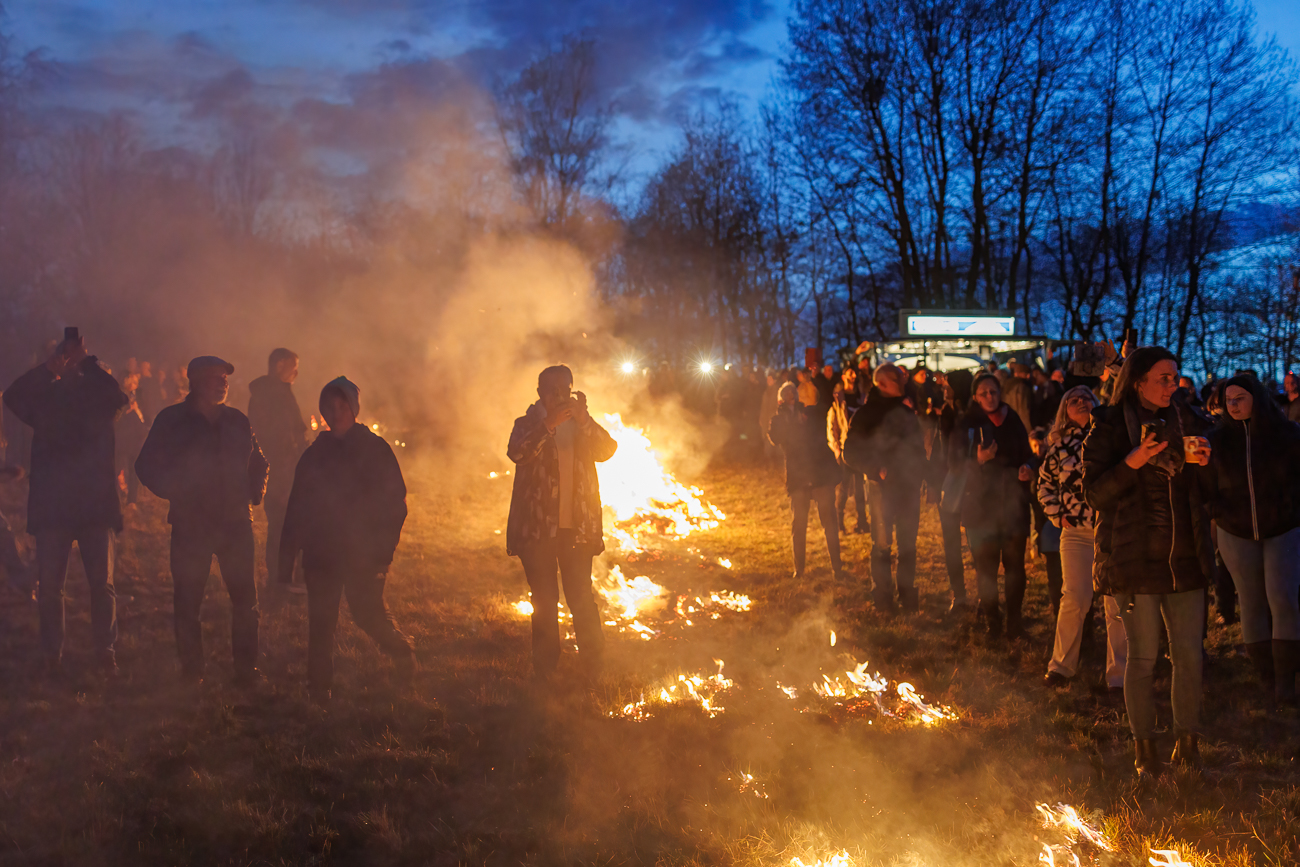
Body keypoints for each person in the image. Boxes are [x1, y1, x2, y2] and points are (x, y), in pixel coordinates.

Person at [1083, 346, 1213, 778]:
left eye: (1175, 377)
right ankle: (1144, 747)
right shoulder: (1108, 425)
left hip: (1185, 560)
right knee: (1141, 659)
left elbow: (1208, 489)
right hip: (1134, 560)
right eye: (1162, 377)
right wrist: (1134, 460)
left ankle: (1187, 740)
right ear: (1138, 380)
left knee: (1188, 656)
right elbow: (1095, 494)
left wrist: (1203, 465)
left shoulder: (1188, 419)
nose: (1171, 384)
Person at [279, 377, 415, 703]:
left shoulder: (375, 450)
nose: (336, 412)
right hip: (322, 554)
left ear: (354, 409)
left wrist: (382, 553)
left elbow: (394, 504)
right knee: (321, 621)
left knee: (367, 613)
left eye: (342, 406)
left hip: (363, 555)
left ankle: (401, 653)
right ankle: (318, 688)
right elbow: (297, 508)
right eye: (330, 406)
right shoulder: (314, 455)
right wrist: (286, 563)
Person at [135, 356, 269, 686]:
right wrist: (178, 492)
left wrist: (252, 495)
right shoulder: (172, 420)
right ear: (194, 382)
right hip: (191, 525)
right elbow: (146, 465)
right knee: (188, 599)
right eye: (215, 378)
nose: (222, 383)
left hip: (235, 523)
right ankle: (192, 671)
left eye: (225, 378)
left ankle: (246, 670)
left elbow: (259, 461)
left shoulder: (237, 420)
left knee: (245, 601)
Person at [3, 332, 128, 675]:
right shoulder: (46, 398)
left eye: (78, 357)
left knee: (101, 585)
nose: (72, 361)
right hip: (54, 507)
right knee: (50, 589)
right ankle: (50, 653)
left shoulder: (99, 400)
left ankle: (105, 650)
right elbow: (13, 396)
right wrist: (47, 370)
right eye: (67, 356)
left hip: (93, 507)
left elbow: (119, 396)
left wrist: (87, 361)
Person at [507, 365, 618, 680]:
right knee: (543, 599)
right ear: (540, 392)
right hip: (538, 528)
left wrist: (583, 419)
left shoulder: (582, 425)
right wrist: (548, 426)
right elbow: (517, 452)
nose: (558, 395)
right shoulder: (527, 424)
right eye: (551, 389)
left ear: (571, 390)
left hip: (577, 529)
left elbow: (607, 450)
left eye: (564, 389)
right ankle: (545, 666)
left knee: (581, 595)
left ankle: (595, 666)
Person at [1198, 374, 1300, 708]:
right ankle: (1265, 677)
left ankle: (1286, 680)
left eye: (1240, 397)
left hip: (1282, 528)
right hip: (1235, 530)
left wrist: (1290, 507)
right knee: (1251, 600)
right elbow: (1205, 485)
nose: (1234, 404)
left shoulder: (1286, 435)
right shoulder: (1217, 440)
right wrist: (1217, 509)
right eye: (1229, 400)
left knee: (1283, 597)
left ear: (1257, 398)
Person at [1039, 386, 1127, 692]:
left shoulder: (1109, 439)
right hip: (1075, 532)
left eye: (1086, 398)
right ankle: (1061, 667)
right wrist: (1056, 513)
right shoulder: (1059, 447)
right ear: (1064, 411)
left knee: (1115, 601)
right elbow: (1045, 485)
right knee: (1074, 597)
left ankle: (1119, 676)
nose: (1081, 403)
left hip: (1110, 529)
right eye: (1073, 400)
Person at [949, 373, 1033, 638]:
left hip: (1013, 507)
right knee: (986, 571)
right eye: (984, 392)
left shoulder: (1013, 420)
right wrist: (979, 460)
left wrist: (1028, 467)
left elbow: (1027, 454)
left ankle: (1014, 623)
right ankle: (992, 623)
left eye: (993, 391)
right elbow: (954, 465)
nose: (989, 397)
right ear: (975, 396)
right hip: (979, 510)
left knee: (1015, 568)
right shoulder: (966, 424)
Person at [844, 364, 925, 613]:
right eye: (896, 380)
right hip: (882, 488)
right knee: (882, 543)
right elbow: (850, 451)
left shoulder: (906, 411)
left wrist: (922, 471)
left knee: (908, 544)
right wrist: (874, 468)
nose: (902, 383)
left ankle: (907, 595)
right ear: (882, 383)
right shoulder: (867, 414)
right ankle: (882, 597)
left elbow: (917, 447)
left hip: (908, 486)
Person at [768, 382, 844, 580]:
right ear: (781, 400)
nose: (792, 397)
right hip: (799, 477)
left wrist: (804, 416)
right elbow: (776, 438)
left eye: (794, 394)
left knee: (830, 523)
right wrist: (789, 418)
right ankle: (799, 571)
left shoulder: (812, 413)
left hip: (820, 474)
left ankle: (837, 569)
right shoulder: (778, 420)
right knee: (799, 525)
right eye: (788, 395)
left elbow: (821, 423)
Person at [248, 348, 309, 592]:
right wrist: (284, 477)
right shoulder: (269, 396)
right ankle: (281, 580)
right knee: (282, 524)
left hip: (289, 471)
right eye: (294, 366)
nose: (297, 372)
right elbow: (276, 440)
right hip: (280, 474)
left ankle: (291, 577)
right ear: (280, 364)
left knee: (294, 524)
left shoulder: (282, 393)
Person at [934, 368, 975, 610]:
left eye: (947, 386)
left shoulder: (972, 415)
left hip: (970, 483)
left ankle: (985, 596)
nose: (943, 390)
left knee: (975, 541)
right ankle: (958, 595)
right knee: (951, 542)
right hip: (949, 483)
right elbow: (942, 452)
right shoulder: (947, 414)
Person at [827, 368, 867, 535]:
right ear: (843, 377)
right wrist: (836, 447)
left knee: (860, 489)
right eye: (849, 373)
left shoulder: (862, 398)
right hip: (845, 449)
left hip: (860, 449)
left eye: (854, 373)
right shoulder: (838, 402)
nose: (853, 376)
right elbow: (832, 426)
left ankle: (863, 523)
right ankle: (839, 524)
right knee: (843, 488)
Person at [1028, 428, 1061, 618]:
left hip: (1062, 524)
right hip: (1047, 530)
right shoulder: (1032, 464)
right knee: (1055, 577)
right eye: (1035, 445)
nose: (1039, 448)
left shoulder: (1055, 461)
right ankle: (1059, 614)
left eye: (1042, 444)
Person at [115, 372, 148, 506]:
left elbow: (145, 417)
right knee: (121, 469)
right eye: (129, 382)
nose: (131, 384)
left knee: (134, 469)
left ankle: (132, 500)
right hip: (123, 439)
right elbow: (117, 418)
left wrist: (138, 411)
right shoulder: (120, 398)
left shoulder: (141, 398)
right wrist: (126, 411)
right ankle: (120, 495)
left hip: (136, 439)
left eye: (134, 382)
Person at [1002, 363, 1034, 430]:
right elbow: (1023, 410)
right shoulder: (1022, 387)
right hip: (1020, 426)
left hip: (1009, 425)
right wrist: (1028, 430)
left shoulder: (1007, 386)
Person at [759, 370, 782, 464]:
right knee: (766, 439)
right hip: (765, 419)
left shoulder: (778, 391)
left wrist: (774, 418)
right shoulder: (766, 392)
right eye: (767, 379)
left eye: (770, 379)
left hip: (774, 420)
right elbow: (763, 406)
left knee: (775, 439)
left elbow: (778, 406)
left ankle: (778, 462)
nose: (768, 381)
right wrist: (761, 418)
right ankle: (769, 462)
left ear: (774, 380)